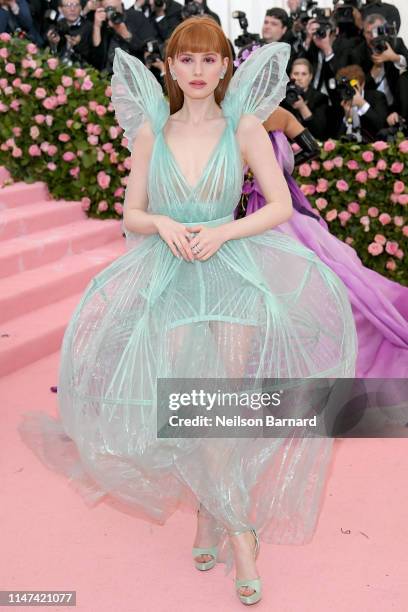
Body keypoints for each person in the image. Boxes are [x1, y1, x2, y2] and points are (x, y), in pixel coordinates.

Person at [18, 18, 358, 606]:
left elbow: (279, 207)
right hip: (170, 276)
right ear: (170, 68)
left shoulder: (244, 126)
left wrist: (224, 234)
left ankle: (237, 535)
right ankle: (219, 515)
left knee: (216, 407)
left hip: (229, 277)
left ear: (226, 66)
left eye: (208, 61)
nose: (198, 72)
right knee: (185, 407)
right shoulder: (154, 130)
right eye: (186, 61)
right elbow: (132, 215)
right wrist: (164, 223)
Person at [236, 81, 408, 379]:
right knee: (323, 272)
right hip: (284, 210)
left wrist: (266, 175)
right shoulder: (279, 115)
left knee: (281, 284)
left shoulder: (238, 122)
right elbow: (311, 147)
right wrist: (282, 172)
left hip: (261, 212)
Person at [281, 58, 330, 140]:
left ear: (310, 77)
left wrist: (302, 107)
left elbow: (319, 131)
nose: (299, 78)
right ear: (290, 76)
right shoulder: (282, 98)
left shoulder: (320, 98)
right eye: (296, 74)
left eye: (304, 74)